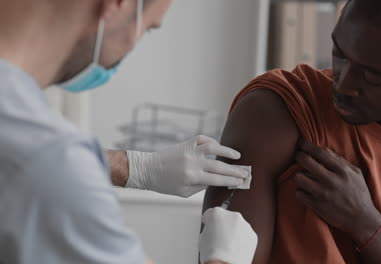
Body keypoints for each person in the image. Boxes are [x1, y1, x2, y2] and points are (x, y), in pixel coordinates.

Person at [203, 0, 381, 263]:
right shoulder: (280, 107)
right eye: (340, 53)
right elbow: (227, 256)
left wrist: (369, 228)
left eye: (371, 75)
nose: (344, 85)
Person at [0, 0, 257, 263]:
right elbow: (41, 164)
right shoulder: (50, 164)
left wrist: (133, 167)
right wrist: (225, 260)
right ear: (119, 4)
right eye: (147, 28)